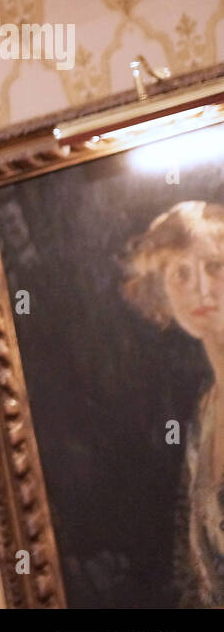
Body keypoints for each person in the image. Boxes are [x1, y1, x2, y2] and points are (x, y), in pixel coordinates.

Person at [121, 200, 224, 606]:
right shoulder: (205, 412)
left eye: (215, 266)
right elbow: (192, 575)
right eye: (181, 273)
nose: (201, 288)